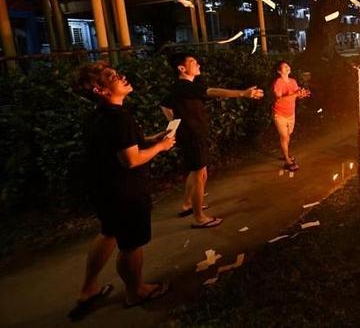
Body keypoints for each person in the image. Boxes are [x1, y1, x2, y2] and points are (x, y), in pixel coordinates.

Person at [69, 61, 175, 320]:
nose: (122, 77)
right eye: (112, 77)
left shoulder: (97, 115)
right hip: (126, 191)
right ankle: (136, 291)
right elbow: (131, 160)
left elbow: (120, 145)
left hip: (103, 188)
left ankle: (88, 289)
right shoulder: (120, 117)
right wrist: (160, 148)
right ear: (101, 90)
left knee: (108, 232)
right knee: (131, 244)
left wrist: (152, 139)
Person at [160, 52, 263, 229]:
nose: (198, 64)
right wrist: (243, 93)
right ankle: (199, 217)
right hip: (192, 136)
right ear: (182, 68)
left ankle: (187, 205)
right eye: (193, 62)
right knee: (200, 174)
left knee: (197, 172)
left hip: (193, 134)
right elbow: (212, 91)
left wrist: (174, 123)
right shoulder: (184, 85)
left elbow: (164, 104)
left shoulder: (180, 87)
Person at [272, 60, 310, 171]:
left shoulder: (293, 81)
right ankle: (287, 161)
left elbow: (296, 93)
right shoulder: (278, 83)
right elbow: (279, 99)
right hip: (279, 113)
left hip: (290, 113)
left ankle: (285, 153)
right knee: (284, 136)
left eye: (288, 66)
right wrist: (295, 94)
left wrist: (302, 93)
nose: (288, 67)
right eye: (284, 67)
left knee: (288, 134)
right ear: (279, 71)